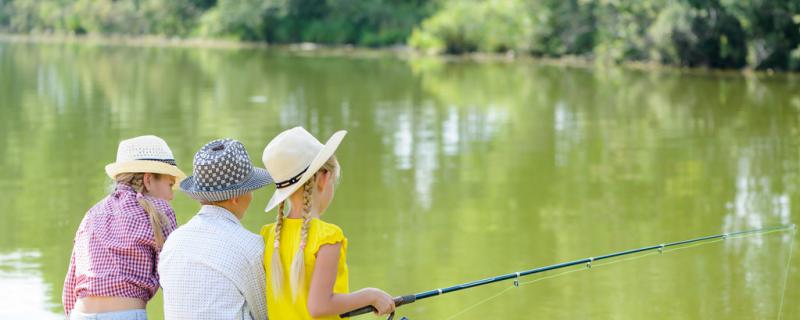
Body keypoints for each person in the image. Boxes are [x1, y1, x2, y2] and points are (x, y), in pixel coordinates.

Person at [260, 127, 396, 319]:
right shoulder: (327, 237)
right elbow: (319, 306)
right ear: (323, 178)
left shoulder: (269, 235)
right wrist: (370, 296)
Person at [62, 135, 187, 320]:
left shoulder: (92, 213)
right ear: (148, 180)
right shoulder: (160, 210)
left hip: (80, 314)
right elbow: (174, 277)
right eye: (169, 185)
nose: (171, 196)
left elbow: (70, 285)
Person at [158, 138, 272, 320]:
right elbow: (264, 313)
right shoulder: (250, 247)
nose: (251, 196)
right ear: (235, 197)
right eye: (250, 189)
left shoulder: (173, 241)